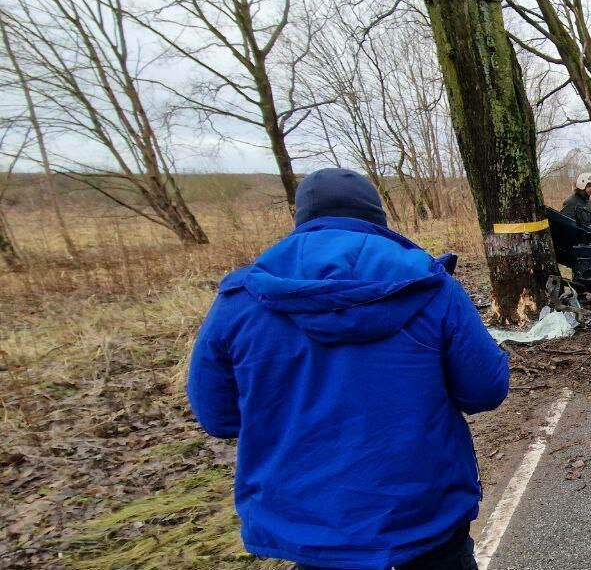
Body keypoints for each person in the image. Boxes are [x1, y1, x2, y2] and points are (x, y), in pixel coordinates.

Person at [187, 168, 508, 570]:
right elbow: (486, 389)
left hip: (312, 524)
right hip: (424, 513)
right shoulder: (431, 287)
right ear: (377, 219)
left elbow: (217, 417)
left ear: (301, 219)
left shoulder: (240, 299)